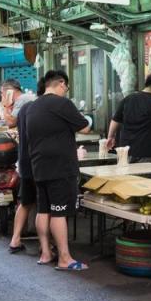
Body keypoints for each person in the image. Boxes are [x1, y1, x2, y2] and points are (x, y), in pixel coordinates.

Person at [26, 70, 90, 271]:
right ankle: (64, 258)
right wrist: (87, 118)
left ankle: (45, 253)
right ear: (61, 83)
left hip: (39, 165)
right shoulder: (61, 103)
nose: (66, 91)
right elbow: (85, 127)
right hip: (60, 167)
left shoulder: (32, 107)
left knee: (44, 209)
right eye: (66, 87)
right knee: (59, 212)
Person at [107, 72, 151, 163]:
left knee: (127, 177)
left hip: (125, 153)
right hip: (147, 153)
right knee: (146, 177)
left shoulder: (128, 99)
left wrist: (110, 137)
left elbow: (115, 120)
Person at [8, 77, 43, 254]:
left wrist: (5, 106)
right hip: (39, 162)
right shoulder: (41, 108)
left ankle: (15, 239)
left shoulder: (23, 108)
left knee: (25, 201)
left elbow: (11, 124)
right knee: (45, 204)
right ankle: (47, 247)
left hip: (25, 162)